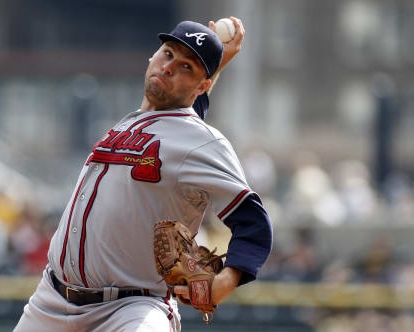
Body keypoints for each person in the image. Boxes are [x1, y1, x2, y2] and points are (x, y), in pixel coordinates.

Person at [14, 17, 272, 332]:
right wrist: (210, 66)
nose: (169, 67)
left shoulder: (205, 143)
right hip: (50, 301)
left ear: (202, 84)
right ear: (153, 56)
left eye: (187, 67)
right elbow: (178, 127)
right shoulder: (136, 121)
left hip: (131, 308)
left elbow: (254, 224)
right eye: (168, 54)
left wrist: (226, 281)